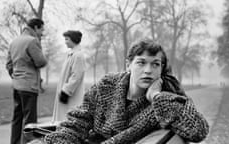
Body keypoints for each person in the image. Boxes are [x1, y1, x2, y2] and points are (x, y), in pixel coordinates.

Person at [33, 39, 209, 144]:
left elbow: (198, 130)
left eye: (155, 64)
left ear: (161, 69)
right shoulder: (106, 86)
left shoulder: (167, 100)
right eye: (141, 62)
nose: (148, 70)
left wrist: (156, 96)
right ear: (128, 65)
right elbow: (77, 124)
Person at [6, 18, 47, 144]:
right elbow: (41, 61)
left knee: (17, 118)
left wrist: (16, 77)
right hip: (29, 86)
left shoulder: (14, 42)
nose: (42, 33)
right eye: (41, 30)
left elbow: (8, 65)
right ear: (35, 27)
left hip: (17, 86)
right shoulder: (32, 41)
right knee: (30, 121)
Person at [52, 30, 86, 122]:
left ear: (73, 39)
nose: (65, 42)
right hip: (67, 94)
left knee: (68, 119)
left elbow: (76, 76)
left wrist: (66, 91)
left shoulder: (78, 55)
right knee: (64, 119)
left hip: (71, 95)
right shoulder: (71, 54)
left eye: (67, 39)